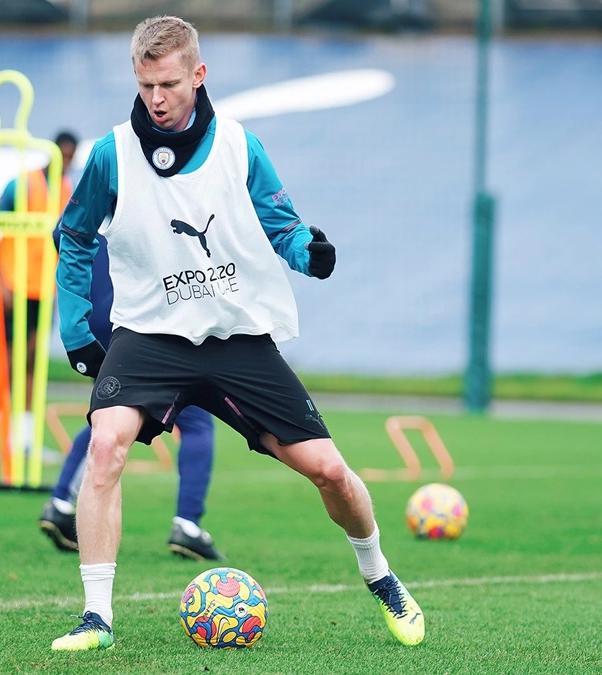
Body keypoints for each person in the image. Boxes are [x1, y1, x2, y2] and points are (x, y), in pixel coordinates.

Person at [49, 16, 424, 651]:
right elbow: (75, 238)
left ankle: (381, 576)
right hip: (150, 335)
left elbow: (282, 223)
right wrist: (77, 327)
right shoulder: (111, 155)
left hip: (236, 337)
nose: (156, 99)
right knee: (105, 445)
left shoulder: (240, 146)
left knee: (330, 472)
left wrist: (308, 253)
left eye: (169, 84)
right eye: (145, 86)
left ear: (198, 75)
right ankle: (96, 618)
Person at [39, 231, 223, 562]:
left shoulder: (87, 202)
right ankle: (188, 524)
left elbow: (60, 233)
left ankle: (61, 503)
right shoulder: (141, 200)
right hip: (137, 319)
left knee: (109, 415)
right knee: (196, 418)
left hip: (94, 318)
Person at [0, 131, 78, 453]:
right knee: (6, 359)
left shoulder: (68, 189)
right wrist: (1, 280)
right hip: (14, 282)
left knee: (32, 359)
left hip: (44, 287)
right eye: (64, 155)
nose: (67, 162)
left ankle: (26, 437)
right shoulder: (22, 185)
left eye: (71, 157)